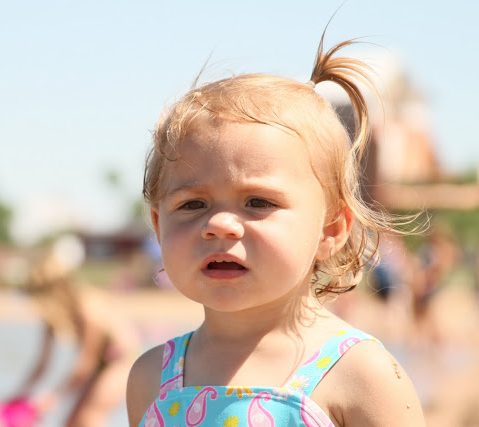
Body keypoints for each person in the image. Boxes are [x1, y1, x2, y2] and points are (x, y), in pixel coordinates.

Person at [126, 30, 425, 427]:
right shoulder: (151, 378)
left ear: (330, 230)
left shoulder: (360, 375)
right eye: (193, 204)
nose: (219, 225)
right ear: (159, 225)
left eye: (258, 202)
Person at [0, 238, 139, 427]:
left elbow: (86, 363)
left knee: (89, 416)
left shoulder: (89, 309)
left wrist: (54, 396)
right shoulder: (53, 315)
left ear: (55, 292)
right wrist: (19, 393)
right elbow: (41, 365)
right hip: (99, 365)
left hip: (123, 363)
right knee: (70, 422)